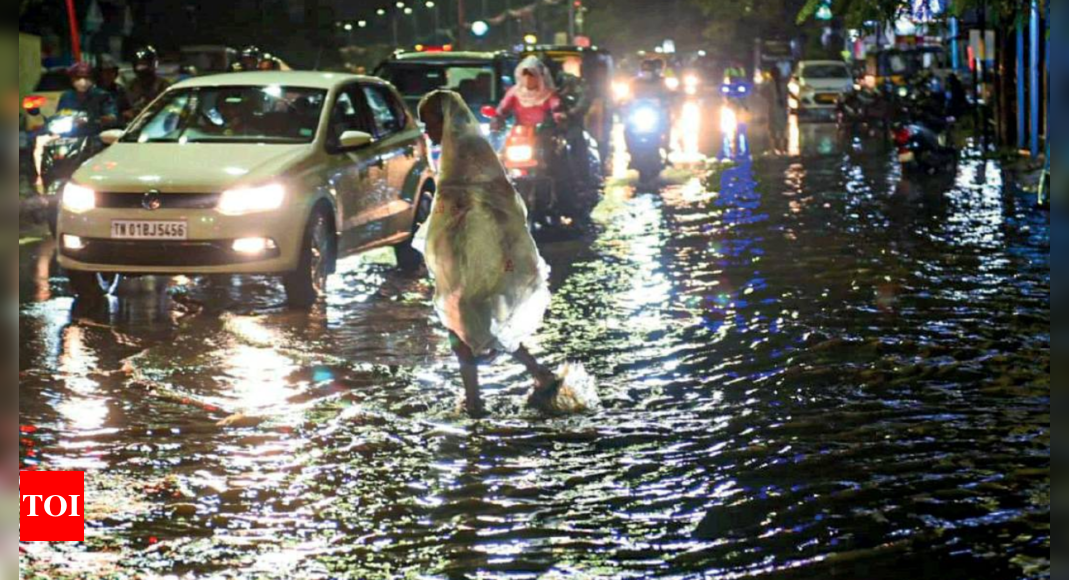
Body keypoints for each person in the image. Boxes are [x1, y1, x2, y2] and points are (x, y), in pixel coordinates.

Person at [416, 90, 560, 416]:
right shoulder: (453, 150)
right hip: (461, 249)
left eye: (430, 122)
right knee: (470, 320)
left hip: (477, 250)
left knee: (465, 318)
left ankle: (477, 400)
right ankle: (536, 376)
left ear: (446, 118)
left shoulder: (470, 148)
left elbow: (497, 194)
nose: (428, 130)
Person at [35, 62, 118, 180]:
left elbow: (112, 117)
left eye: (86, 77)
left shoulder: (102, 96)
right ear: (72, 79)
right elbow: (60, 115)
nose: (82, 81)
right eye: (78, 77)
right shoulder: (66, 96)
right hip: (69, 138)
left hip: (93, 139)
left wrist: (93, 119)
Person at [494, 56, 561, 129]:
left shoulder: (548, 94)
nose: (527, 78)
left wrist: (559, 116)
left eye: (531, 75)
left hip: (543, 133)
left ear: (539, 77)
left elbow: (556, 107)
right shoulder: (515, 92)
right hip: (519, 133)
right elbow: (503, 107)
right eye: (524, 74)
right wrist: (497, 118)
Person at [127, 46, 171, 120]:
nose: (142, 68)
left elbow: (168, 108)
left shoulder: (163, 85)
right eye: (139, 64)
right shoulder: (131, 86)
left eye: (144, 64)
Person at [95, 55, 131, 121]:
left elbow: (127, 109)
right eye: (105, 72)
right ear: (99, 73)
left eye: (112, 71)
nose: (109, 75)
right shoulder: (93, 91)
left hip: (118, 126)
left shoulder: (120, 89)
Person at [767, 66, 789, 153]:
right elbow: (787, 94)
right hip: (782, 108)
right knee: (782, 127)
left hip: (774, 108)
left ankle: (777, 146)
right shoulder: (783, 84)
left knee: (773, 127)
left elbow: (762, 93)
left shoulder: (769, 84)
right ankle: (783, 146)